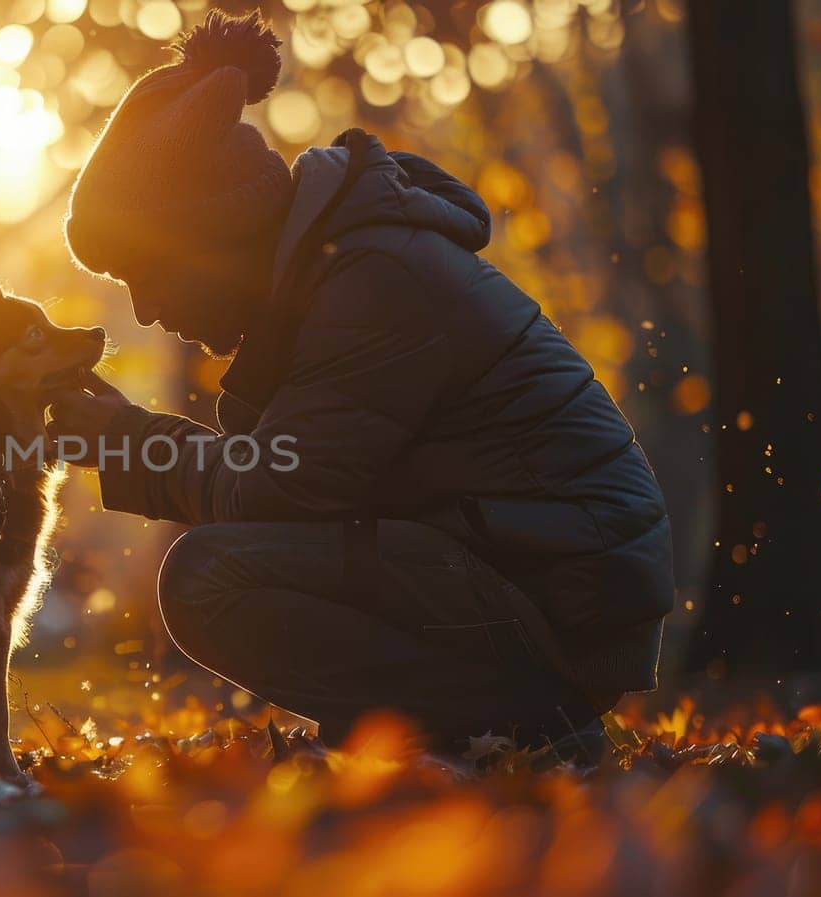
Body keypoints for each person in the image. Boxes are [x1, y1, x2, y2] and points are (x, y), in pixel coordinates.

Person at [45, 10, 673, 759]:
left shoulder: (372, 279)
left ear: (212, 235)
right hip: (531, 569)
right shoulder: (329, 275)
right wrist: (131, 437)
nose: (147, 308)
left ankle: (514, 722)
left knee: (208, 577)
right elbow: (298, 487)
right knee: (221, 562)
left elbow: (283, 489)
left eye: (149, 274)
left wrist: (127, 441)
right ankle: (447, 728)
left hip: (561, 595)